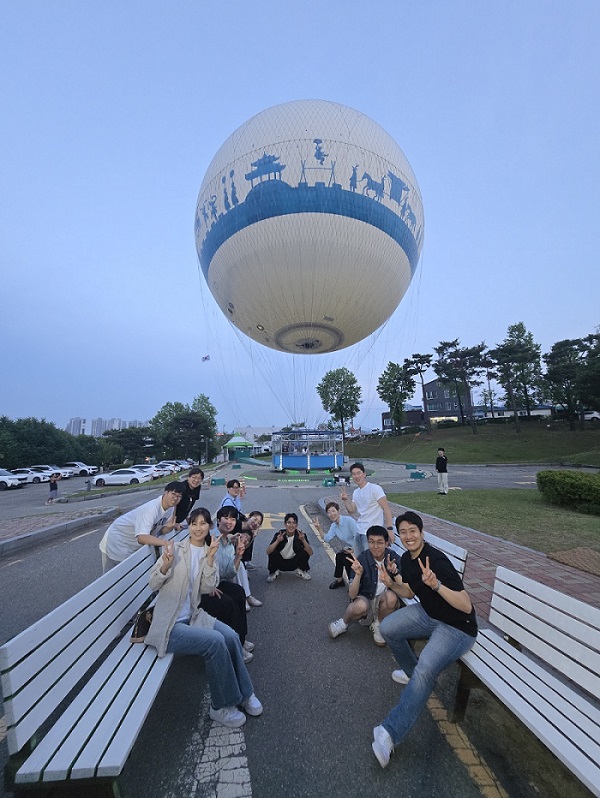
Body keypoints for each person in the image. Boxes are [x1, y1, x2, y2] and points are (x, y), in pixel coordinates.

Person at [371, 511, 478, 768]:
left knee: (426, 671)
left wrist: (437, 585)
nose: (408, 536)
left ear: (422, 532)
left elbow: (466, 605)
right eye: (403, 532)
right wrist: (391, 584)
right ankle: (412, 673)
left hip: (457, 627)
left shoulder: (436, 560)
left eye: (413, 531)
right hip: (430, 614)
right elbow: (409, 591)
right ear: (398, 535)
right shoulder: (407, 559)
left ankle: (389, 733)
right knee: (388, 628)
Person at [144, 508, 263, 729]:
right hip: (170, 624)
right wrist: (166, 566)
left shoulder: (211, 551)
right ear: (189, 526)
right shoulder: (175, 549)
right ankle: (220, 706)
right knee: (215, 642)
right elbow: (153, 583)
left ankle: (246, 694)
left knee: (231, 636)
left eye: (203, 524)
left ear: (210, 527)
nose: (198, 528)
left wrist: (209, 560)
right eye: (194, 524)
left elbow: (208, 588)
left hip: (194, 617)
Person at [328, 525, 402, 645]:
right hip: (366, 598)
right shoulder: (362, 558)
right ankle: (343, 623)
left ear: (386, 543)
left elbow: (404, 587)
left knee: (392, 598)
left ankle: (378, 624)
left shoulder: (393, 558)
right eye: (371, 542)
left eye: (380, 542)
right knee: (359, 606)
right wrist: (358, 575)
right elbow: (352, 595)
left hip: (383, 600)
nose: (375, 546)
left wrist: (395, 572)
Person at [201, 506, 253, 661]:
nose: (229, 521)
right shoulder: (211, 538)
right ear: (218, 520)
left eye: (233, 518)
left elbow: (227, 574)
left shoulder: (228, 541)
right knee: (228, 603)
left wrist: (238, 556)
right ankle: (234, 646)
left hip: (216, 583)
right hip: (202, 588)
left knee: (238, 592)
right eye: (226, 518)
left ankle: (240, 639)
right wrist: (208, 586)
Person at [99, 482, 183, 572]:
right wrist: (165, 543)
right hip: (117, 540)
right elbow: (142, 538)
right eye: (173, 494)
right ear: (165, 492)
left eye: (179, 496)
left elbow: (158, 529)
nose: (175, 498)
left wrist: (169, 528)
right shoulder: (151, 509)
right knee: (115, 576)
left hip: (131, 543)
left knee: (130, 574)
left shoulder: (171, 508)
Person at [340, 462, 394, 554]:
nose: (357, 476)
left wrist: (390, 529)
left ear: (364, 474)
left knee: (370, 561)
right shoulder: (356, 492)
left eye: (359, 473)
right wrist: (345, 500)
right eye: (354, 474)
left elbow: (386, 509)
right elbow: (352, 511)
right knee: (359, 561)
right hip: (359, 532)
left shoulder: (375, 489)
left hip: (372, 534)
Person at [313, 502, 358, 589]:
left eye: (333, 511)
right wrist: (319, 529)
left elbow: (358, 537)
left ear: (338, 511)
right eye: (329, 512)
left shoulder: (349, 521)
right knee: (339, 556)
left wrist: (354, 550)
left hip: (358, 549)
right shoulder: (334, 526)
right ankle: (339, 581)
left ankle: (353, 585)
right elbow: (327, 539)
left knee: (347, 560)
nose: (332, 514)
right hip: (349, 548)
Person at [266, 512, 313, 582]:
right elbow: (268, 552)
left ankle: (301, 570)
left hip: (294, 562)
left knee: (305, 549)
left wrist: (303, 540)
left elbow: (310, 553)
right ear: (285, 524)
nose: (291, 525)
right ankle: (274, 572)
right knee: (273, 549)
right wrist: (277, 541)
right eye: (289, 523)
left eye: (294, 523)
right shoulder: (279, 534)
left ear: (297, 525)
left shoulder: (301, 535)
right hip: (280, 562)